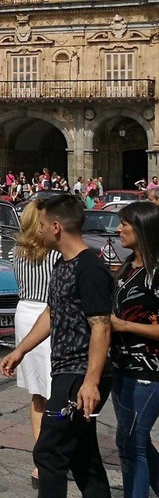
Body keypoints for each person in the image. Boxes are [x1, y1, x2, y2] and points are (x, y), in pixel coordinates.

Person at [1, 193, 112, 498]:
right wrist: (20, 350)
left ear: (56, 227)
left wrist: (90, 382)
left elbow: (101, 327)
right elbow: (52, 312)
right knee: (83, 457)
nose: (38, 231)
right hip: (64, 368)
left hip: (78, 373)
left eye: (42, 225)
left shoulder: (90, 268)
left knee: (49, 453)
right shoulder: (63, 264)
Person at [108, 201, 159, 498]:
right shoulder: (129, 266)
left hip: (149, 370)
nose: (118, 229)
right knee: (129, 441)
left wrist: (124, 327)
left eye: (125, 224)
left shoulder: (156, 272)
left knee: (134, 441)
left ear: (142, 228)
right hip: (123, 366)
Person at [11, 201, 61, 488]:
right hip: (47, 315)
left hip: (25, 312)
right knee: (57, 389)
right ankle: (55, 457)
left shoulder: (17, 251)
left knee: (38, 393)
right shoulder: (55, 254)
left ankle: (40, 462)